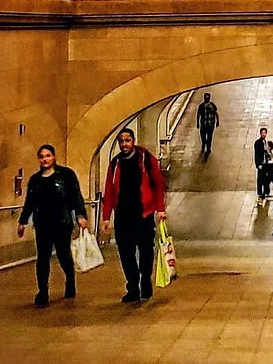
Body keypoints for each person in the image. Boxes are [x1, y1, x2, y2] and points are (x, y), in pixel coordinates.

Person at [17, 144, 88, 307]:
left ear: (54, 157)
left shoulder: (66, 175)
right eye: (42, 157)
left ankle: (70, 280)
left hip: (62, 222)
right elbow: (30, 202)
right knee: (42, 258)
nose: (45, 159)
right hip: (42, 223)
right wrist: (22, 221)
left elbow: (75, 195)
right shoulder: (35, 180)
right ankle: (43, 291)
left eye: (48, 156)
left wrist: (80, 215)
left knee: (63, 254)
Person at [102, 127, 166, 303]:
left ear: (133, 141)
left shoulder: (146, 158)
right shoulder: (115, 163)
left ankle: (145, 281)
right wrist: (106, 217)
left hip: (143, 214)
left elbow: (159, 184)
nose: (124, 144)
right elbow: (109, 190)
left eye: (127, 141)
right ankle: (133, 286)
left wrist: (160, 208)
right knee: (125, 252)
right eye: (121, 141)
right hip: (123, 214)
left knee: (146, 249)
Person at [254, 126, 273, 206]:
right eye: (262, 133)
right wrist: (258, 164)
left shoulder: (265, 142)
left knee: (266, 178)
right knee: (260, 179)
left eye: (265, 133)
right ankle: (260, 193)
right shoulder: (258, 143)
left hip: (266, 164)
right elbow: (256, 155)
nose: (263, 134)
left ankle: (265, 192)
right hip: (261, 164)